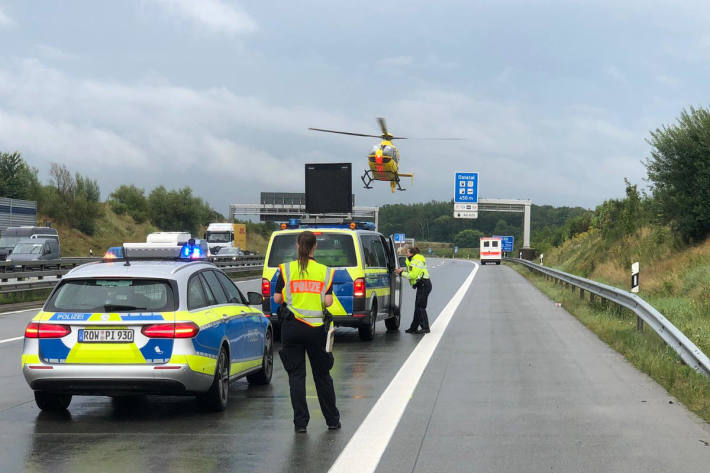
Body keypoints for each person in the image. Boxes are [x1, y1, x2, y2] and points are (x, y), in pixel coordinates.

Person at [273, 230, 341, 433]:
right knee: (322, 376)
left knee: (296, 377)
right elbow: (328, 301)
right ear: (315, 247)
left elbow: (277, 298)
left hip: (291, 328)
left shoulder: (286, 270)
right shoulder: (324, 271)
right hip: (315, 329)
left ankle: (300, 424)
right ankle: (331, 420)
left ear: (297, 246)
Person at [395, 246, 432, 334]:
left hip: (423, 285)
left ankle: (425, 328)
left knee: (420, 307)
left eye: (407, 252)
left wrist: (400, 273)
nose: (406, 254)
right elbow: (413, 272)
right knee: (417, 307)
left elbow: (412, 275)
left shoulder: (415, 261)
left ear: (412, 253)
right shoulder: (415, 259)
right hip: (422, 285)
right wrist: (403, 271)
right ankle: (414, 328)